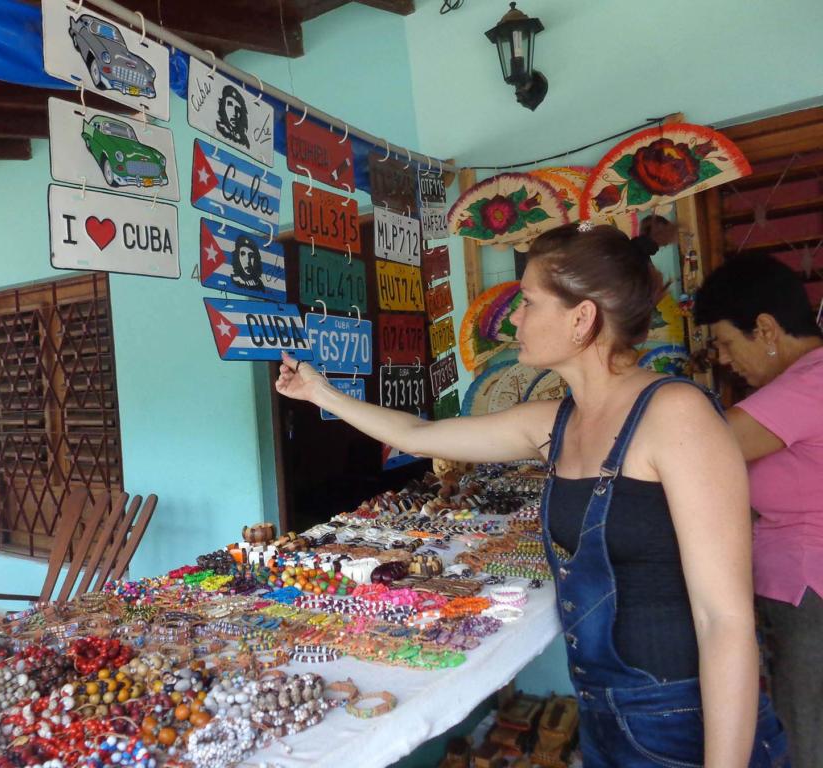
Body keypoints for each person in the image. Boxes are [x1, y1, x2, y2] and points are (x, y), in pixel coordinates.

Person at [276, 222, 788, 767]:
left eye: (527, 301)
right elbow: (418, 435)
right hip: (601, 714)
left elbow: (725, 620)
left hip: (683, 718)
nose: (513, 318)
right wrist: (321, 392)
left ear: (581, 318)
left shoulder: (676, 416)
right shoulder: (556, 423)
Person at [695, 254, 823, 768]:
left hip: (809, 593)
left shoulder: (807, 384)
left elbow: (698, 448)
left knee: (806, 736)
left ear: (765, 328)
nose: (725, 359)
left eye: (727, 341)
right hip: (796, 589)